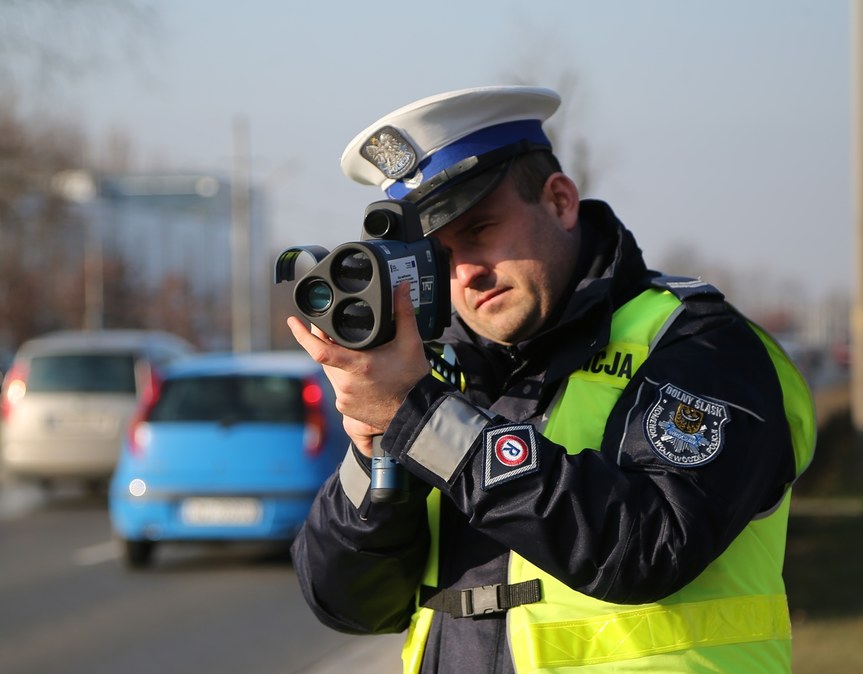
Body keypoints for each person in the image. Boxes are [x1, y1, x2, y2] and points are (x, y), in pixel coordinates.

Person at [287, 85, 815, 674]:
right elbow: (348, 604)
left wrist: (425, 421)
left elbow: (649, 547)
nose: (468, 273)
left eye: (481, 230)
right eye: (442, 253)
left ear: (560, 200)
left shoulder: (696, 344)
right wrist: (375, 454)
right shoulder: (444, 376)